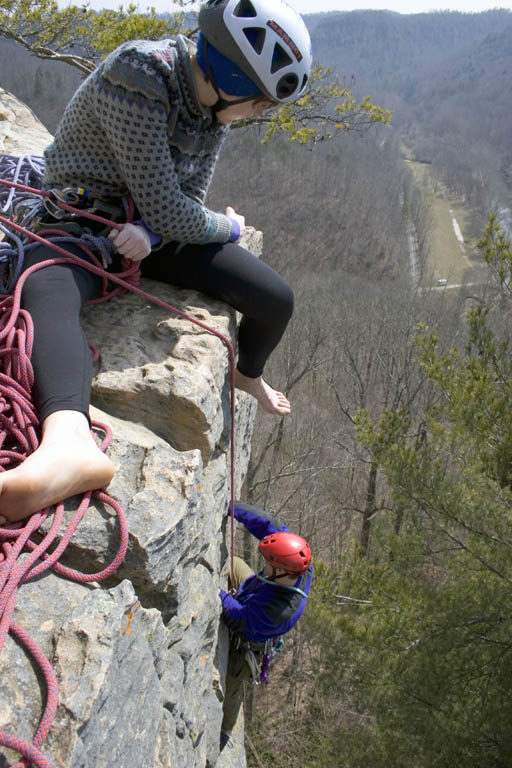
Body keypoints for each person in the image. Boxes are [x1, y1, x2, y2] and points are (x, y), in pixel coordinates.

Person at [0, 0, 313, 525]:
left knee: (276, 301)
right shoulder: (140, 72)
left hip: (146, 230)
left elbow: (185, 198)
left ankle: (245, 372)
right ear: (234, 76)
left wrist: (149, 231)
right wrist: (229, 226)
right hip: (79, 214)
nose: (258, 114)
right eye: (259, 103)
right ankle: (69, 441)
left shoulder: (215, 110)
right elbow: (176, 207)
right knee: (48, 287)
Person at [219, 500, 313, 750]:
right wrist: (232, 507)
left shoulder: (278, 613)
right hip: (255, 590)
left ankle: (226, 730)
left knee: (232, 682)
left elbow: (237, 618)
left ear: (281, 572)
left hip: (251, 637)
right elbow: (268, 523)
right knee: (234, 563)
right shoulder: (297, 559)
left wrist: (220, 595)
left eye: (269, 563)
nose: (265, 564)